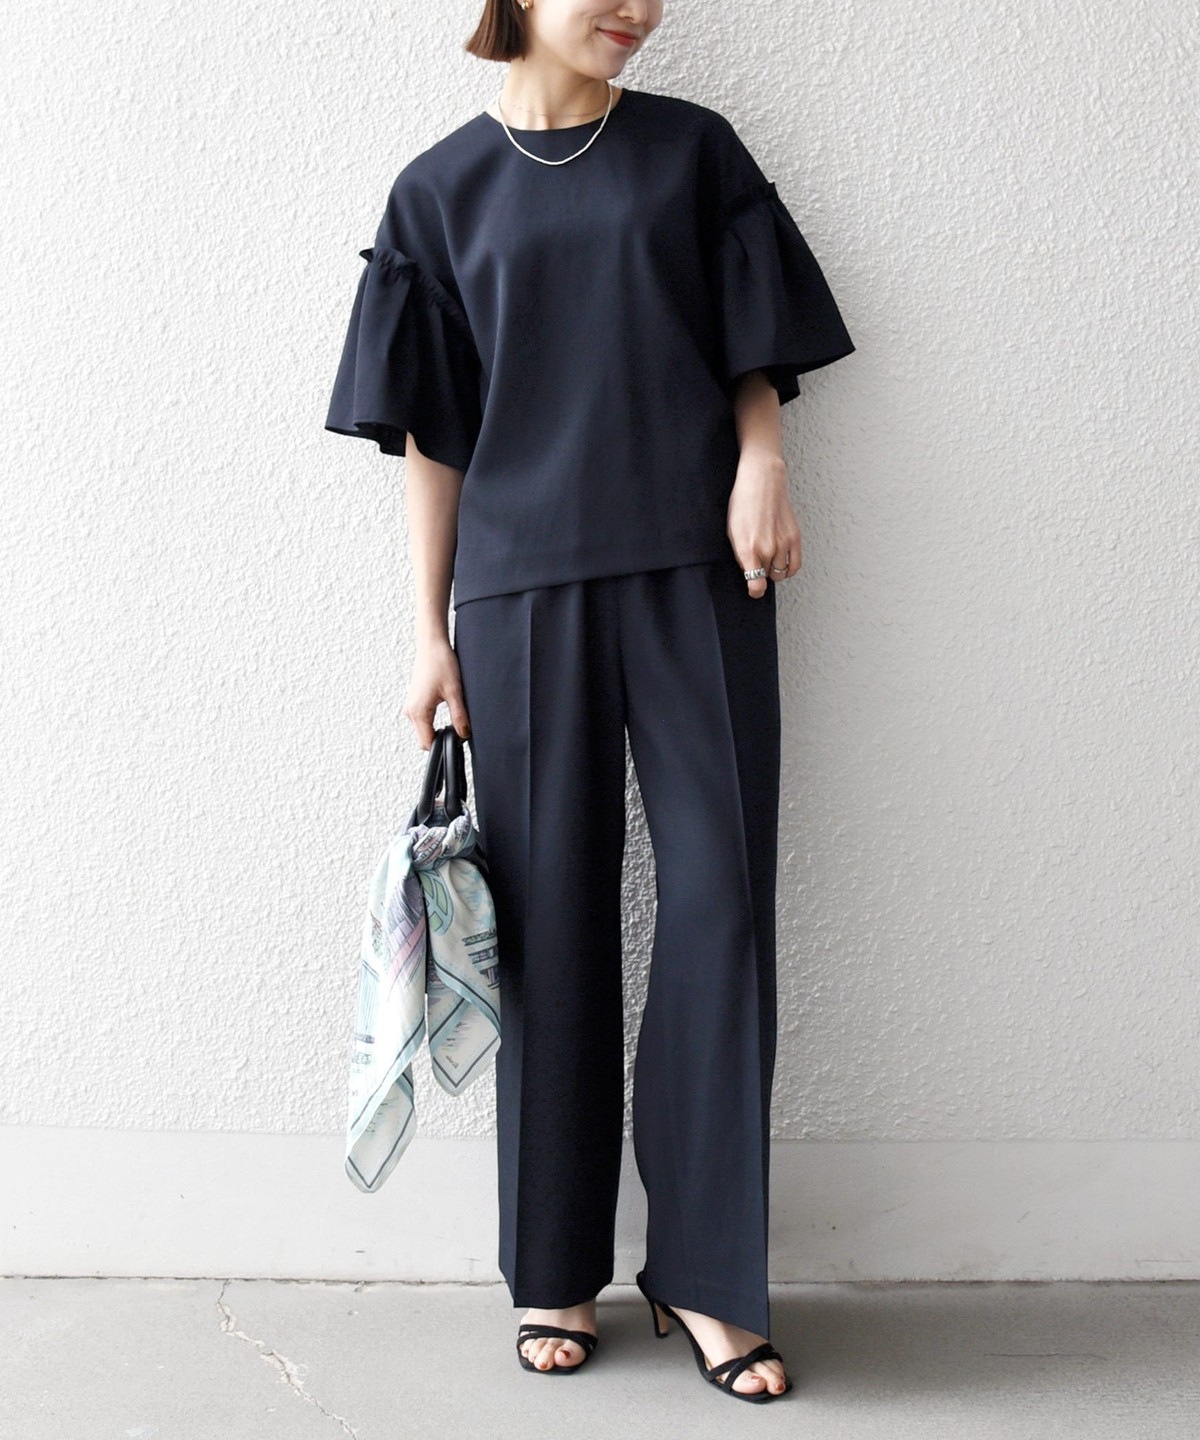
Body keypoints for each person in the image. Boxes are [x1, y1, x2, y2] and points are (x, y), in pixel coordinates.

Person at [325, 0, 855, 1403]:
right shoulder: (437, 193)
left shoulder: (694, 152)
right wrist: (426, 634)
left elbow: (750, 342)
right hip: (518, 596)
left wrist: (765, 461)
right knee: (549, 923)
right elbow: (433, 436)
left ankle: (709, 1273)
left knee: (723, 908)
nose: (638, 8)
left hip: (700, 569)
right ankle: (553, 1266)